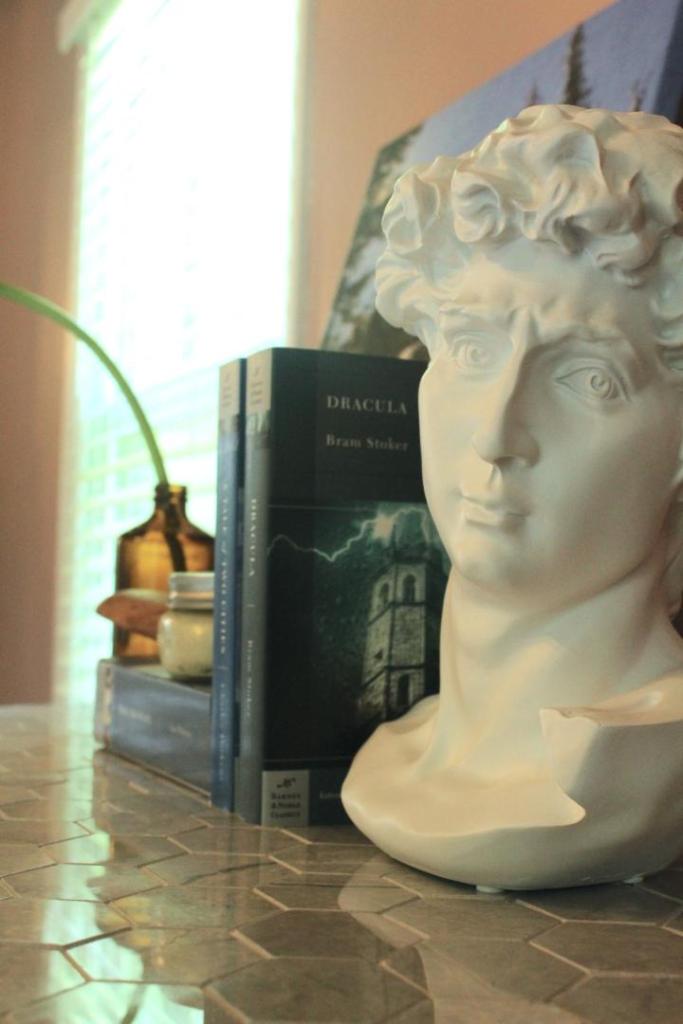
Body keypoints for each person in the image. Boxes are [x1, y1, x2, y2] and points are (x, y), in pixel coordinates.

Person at [342, 105, 683, 890]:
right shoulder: (391, 752)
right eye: (470, 350)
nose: (497, 434)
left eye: (587, 380)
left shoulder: (644, 757)